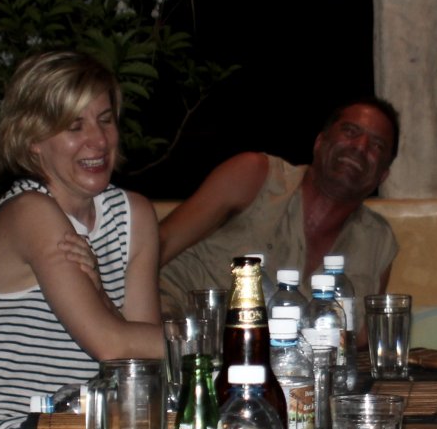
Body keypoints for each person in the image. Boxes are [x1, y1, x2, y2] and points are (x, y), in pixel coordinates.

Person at [0, 50, 164, 429]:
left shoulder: (133, 215)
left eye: (105, 120)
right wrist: (222, 341)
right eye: (74, 126)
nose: (98, 141)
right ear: (33, 140)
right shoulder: (30, 213)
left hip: (82, 425)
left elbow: (141, 365)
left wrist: (101, 295)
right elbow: (113, 345)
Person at [157, 97, 401, 311]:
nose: (360, 147)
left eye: (377, 145)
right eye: (350, 131)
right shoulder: (254, 175)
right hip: (170, 327)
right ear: (320, 142)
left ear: (382, 176)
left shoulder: (378, 241)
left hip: (274, 350)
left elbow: (362, 337)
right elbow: (159, 245)